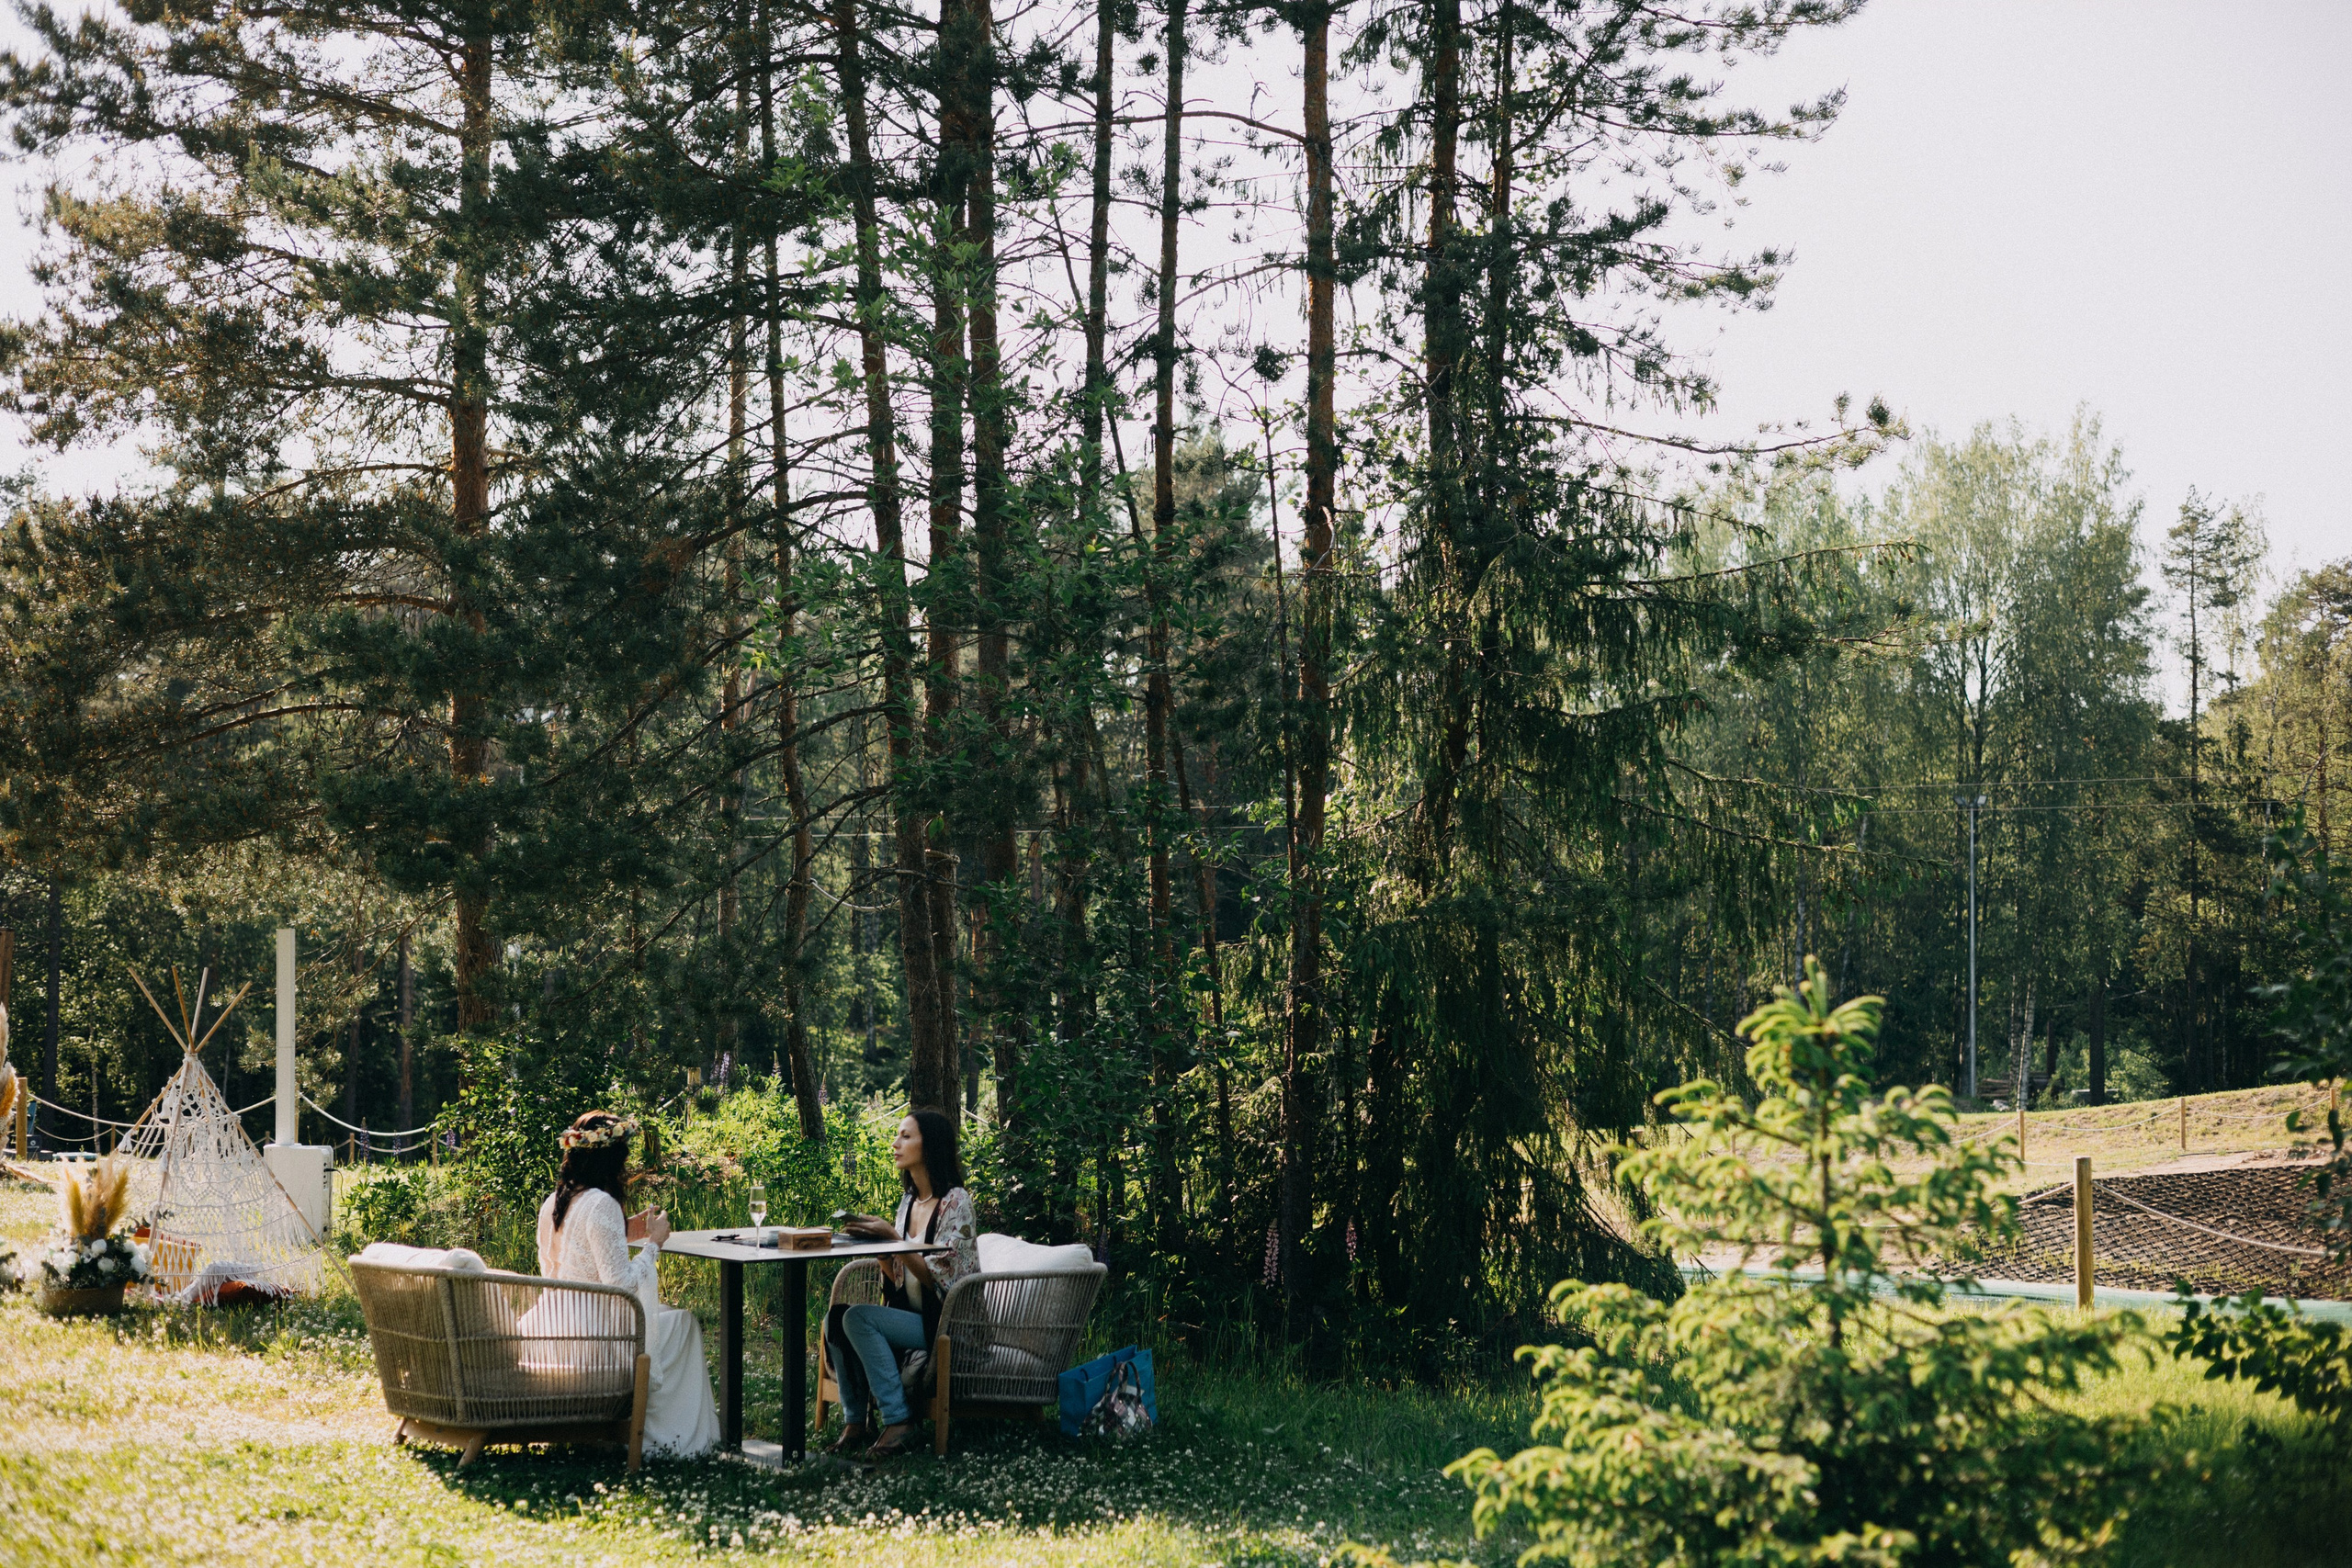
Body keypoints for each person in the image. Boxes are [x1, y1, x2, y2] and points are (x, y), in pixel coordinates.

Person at [535, 1110, 719, 1459]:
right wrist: (655, 1243)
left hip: (555, 1323)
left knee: (671, 1318)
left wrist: (629, 1229)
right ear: (613, 1160)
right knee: (684, 1323)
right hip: (594, 1336)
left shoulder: (555, 1200)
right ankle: (672, 1440)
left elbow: (577, 1254)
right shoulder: (601, 1203)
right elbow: (622, 1285)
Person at [824, 1108, 979, 1460]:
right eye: (897, 1135)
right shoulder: (908, 1202)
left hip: (948, 1323)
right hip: (914, 1316)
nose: (895, 1144)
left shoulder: (956, 1202)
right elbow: (896, 1278)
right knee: (835, 1318)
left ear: (931, 1145)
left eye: (906, 1136)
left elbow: (943, 1278)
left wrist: (894, 1239)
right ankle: (856, 1421)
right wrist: (880, 1247)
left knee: (856, 1318)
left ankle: (899, 1421)